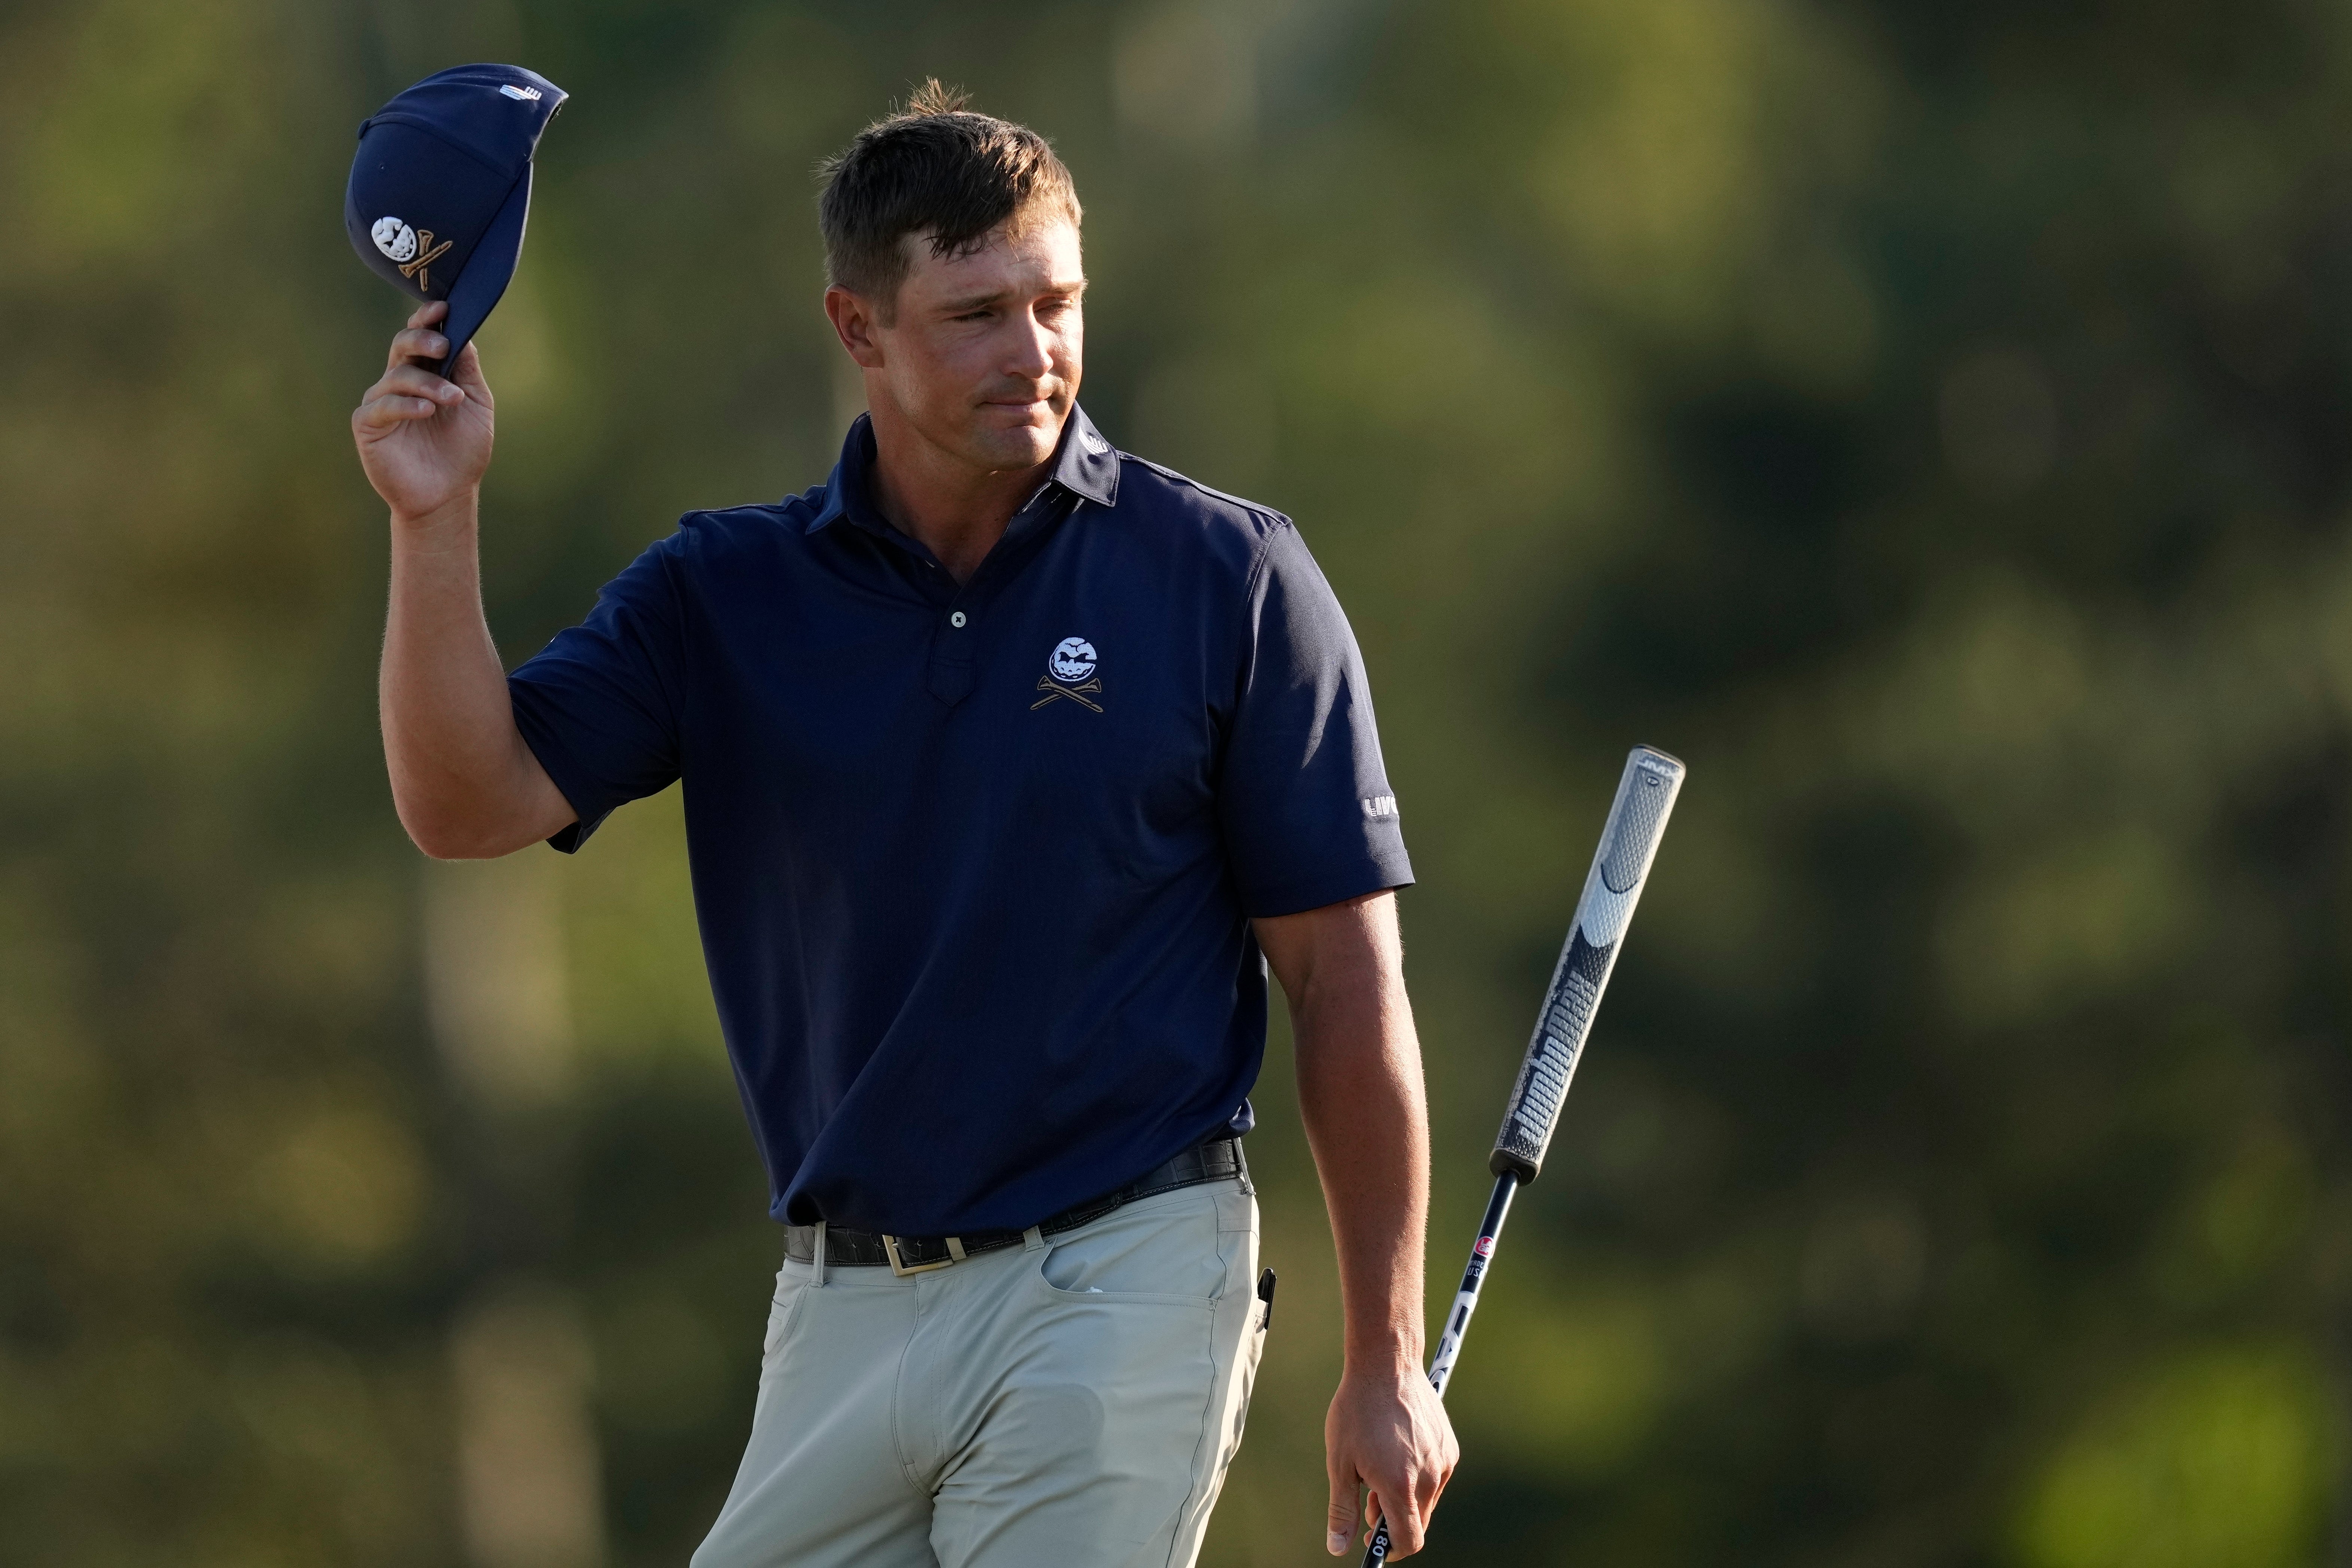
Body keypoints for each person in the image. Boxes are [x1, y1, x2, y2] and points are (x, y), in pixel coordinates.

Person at [351, 79, 1456, 1567]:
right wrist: (434, 516)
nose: (1035, 352)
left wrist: (1383, 1358)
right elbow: (469, 805)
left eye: (1057, 302)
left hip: (1119, 1274)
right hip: (839, 1306)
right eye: (977, 312)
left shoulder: (1224, 577)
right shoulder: (720, 595)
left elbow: (1343, 980)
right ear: (857, 328)